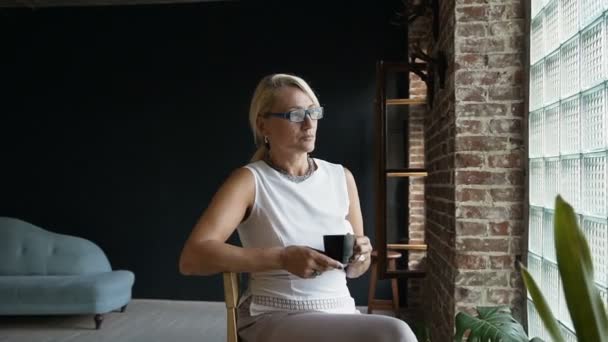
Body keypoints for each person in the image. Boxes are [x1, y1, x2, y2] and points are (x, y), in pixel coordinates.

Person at [179, 73, 417, 342]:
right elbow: (192, 258)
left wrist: (360, 255)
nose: (309, 123)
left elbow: (355, 270)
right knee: (397, 333)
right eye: (295, 115)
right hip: (275, 315)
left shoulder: (342, 177)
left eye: (313, 112)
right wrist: (281, 258)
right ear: (263, 125)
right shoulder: (249, 181)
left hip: (342, 312)